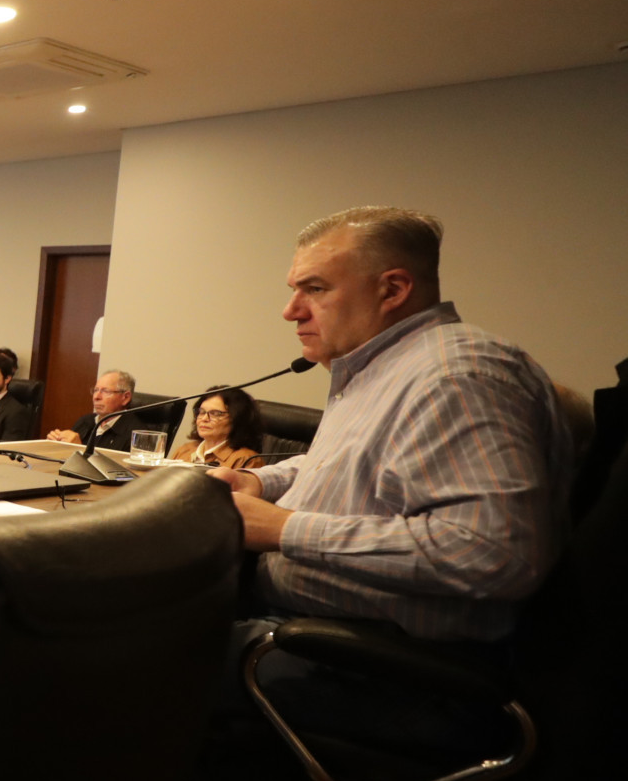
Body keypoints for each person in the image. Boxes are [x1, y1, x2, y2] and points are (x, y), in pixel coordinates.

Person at [213, 206, 572, 643]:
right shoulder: (380, 369)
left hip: (365, 663)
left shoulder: (456, 377)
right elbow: (352, 466)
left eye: (315, 289)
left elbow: (493, 552)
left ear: (394, 289)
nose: (291, 312)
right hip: (299, 624)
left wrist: (281, 528)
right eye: (294, 290)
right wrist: (261, 484)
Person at [169, 387, 264, 470]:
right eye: (201, 412)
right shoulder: (184, 450)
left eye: (215, 414)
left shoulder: (247, 459)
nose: (204, 419)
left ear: (237, 419)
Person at [47, 370, 137, 449]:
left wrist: (78, 449)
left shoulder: (135, 433)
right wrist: (56, 444)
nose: (96, 397)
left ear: (125, 397)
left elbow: (115, 467)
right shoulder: (85, 421)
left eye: (106, 391)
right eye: (95, 390)